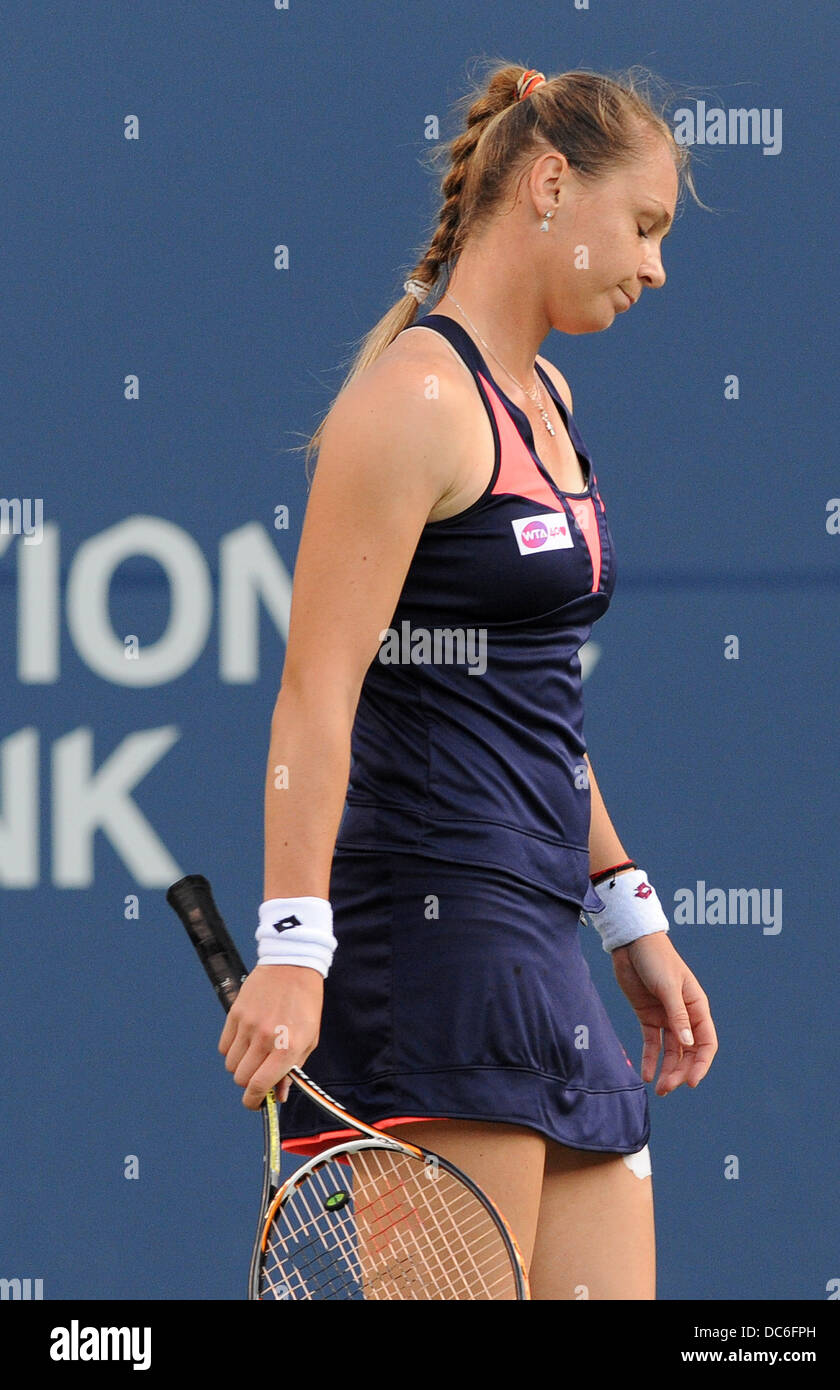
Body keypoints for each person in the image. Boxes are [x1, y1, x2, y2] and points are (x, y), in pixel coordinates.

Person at [219, 60, 718, 1300]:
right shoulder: (410, 407)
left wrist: (626, 910)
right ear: (550, 183)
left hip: (543, 928)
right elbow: (312, 694)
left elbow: (533, 701)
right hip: (432, 945)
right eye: (644, 225)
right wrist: (292, 942)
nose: (656, 266)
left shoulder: (546, 397)